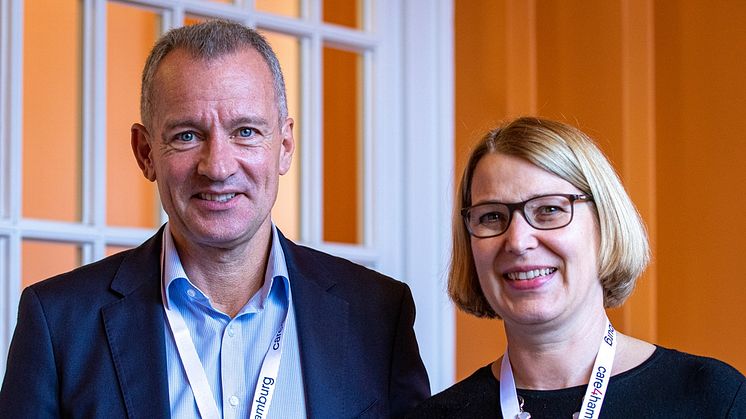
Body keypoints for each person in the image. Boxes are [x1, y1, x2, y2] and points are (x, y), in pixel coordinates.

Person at [0, 20, 429, 418]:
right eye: (187, 135)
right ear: (145, 152)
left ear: (284, 145)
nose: (218, 166)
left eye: (245, 131)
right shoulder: (59, 325)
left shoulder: (379, 316)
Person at [408, 116, 745, 418]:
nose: (518, 241)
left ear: (605, 224)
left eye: (549, 210)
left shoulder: (713, 400)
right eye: (492, 216)